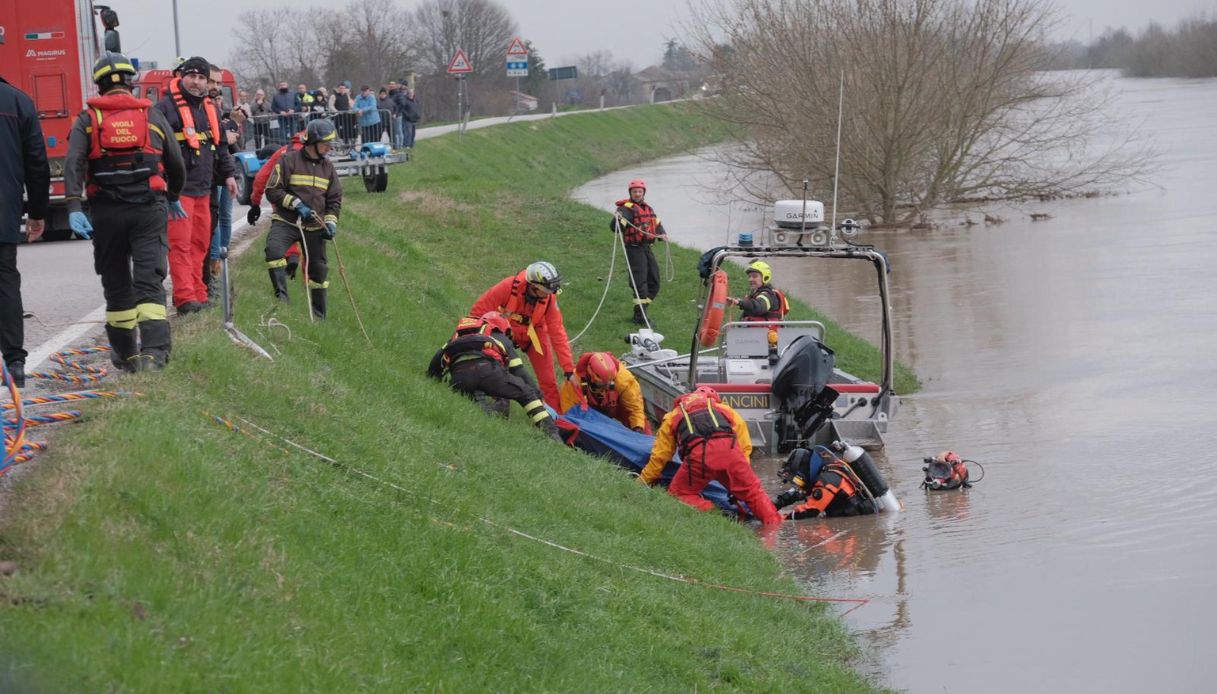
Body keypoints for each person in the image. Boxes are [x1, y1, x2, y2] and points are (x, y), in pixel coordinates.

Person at [63, 52, 187, 372]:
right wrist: (172, 196)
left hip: (106, 214)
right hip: (148, 210)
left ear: (99, 84)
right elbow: (176, 163)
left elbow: (73, 163)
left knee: (117, 283)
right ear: (131, 82)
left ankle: (126, 355)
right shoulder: (152, 115)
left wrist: (74, 205)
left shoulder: (88, 120)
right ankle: (155, 354)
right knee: (149, 281)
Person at [153, 56, 237, 314]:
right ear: (182, 77)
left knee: (200, 243)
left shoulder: (209, 109)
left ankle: (198, 292)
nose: (197, 82)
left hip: (204, 187)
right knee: (181, 245)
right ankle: (184, 297)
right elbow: (156, 152)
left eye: (201, 78)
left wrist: (229, 175)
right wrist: (166, 188)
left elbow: (221, 147)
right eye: (192, 76)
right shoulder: (164, 109)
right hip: (178, 191)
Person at [638, 386, 782, 525]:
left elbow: (660, 456)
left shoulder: (672, 416)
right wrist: (739, 478)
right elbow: (744, 447)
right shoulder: (726, 410)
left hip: (700, 459)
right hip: (731, 455)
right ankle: (774, 528)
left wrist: (642, 481)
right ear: (713, 399)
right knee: (754, 493)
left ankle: (714, 513)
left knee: (678, 494)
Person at [428, 312, 561, 439]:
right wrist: (540, 398)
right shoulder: (500, 336)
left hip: (459, 376)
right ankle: (552, 433)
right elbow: (519, 372)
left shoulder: (459, 335)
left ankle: (481, 402)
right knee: (526, 392)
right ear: (503, 327)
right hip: (487, 371)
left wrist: (432, 377)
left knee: (475, 387)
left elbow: (437, 359)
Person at [263, 119, 341, 318]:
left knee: (319, 272)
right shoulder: (288, 160)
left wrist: (331, 222)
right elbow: (273, 190)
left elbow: (334, 199)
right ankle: (282, 302)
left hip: (315, 227)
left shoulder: (328, 168)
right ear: (313, 142)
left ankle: (319, 318)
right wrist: (296, 204)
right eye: (326, 143)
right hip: (287, 221)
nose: (330, 148)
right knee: (274, 251)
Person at [471, 261, 576, 410]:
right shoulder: (508, 286)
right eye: (547, 290)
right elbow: (477, 312)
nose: (550, 294)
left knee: (548, 381)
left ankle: (554, 417)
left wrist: (569, 369)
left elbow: (557, 331)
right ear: (533, 286)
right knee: (498, 369)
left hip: (534, 335)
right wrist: (472, 339)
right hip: (504, 332)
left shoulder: (549, 299)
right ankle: (498, 402)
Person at [0, 74, 50, 388]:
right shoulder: (18, 101)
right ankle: (14, 363)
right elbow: (37, 162)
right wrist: (38, 212)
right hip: (4, 207)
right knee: (5, 279)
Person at [246, 128, 304, 277]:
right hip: (309, 202)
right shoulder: (314, 153)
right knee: (312, 247)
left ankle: (291, 254)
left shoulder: (281, 153)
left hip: (282, 200)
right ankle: (311, 282)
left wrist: (255, 203)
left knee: (283, 227)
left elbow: (260, 178)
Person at [610, 178, 667, 326]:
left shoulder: (648, 208)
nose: (637, 194)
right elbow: (616, 228)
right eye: (634, 191)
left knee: (654, 282)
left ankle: (640, 312)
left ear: (643, 193)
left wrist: (662, 234)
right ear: (630, 193)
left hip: (646, 248)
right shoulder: (626, 209)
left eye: (640, 191)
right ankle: (640, 317)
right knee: (640, 283)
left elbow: (656, 223)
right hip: (634, 249)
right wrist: (617, 219)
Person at [771, 447, 878, 519]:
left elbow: (811, 510)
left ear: (805, 471)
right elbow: (796, 493)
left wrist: (778, 519)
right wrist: (771, 506)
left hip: (852, 531)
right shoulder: (823, 473)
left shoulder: (828, 479)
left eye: (798, 480)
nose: (798, 484)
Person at [558, 351, 648, 433]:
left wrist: (638, 428)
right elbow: (570, 413)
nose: (607, 386)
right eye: (604, 384)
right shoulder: (574, 382)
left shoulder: (623, 379)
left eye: (610, 382)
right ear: (592, 375)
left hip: (617, 406)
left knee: (642, 426)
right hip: (588, 413)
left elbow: (635, 408)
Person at [727, 260, 789, 326]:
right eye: (749, 276)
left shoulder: (767, 295)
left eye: (754, 276)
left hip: (765, 332)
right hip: (757, 331)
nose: (750, 279)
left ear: (765, 277)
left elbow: (758, 307)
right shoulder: (758, 293)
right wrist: (738, 301)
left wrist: (740, 302)